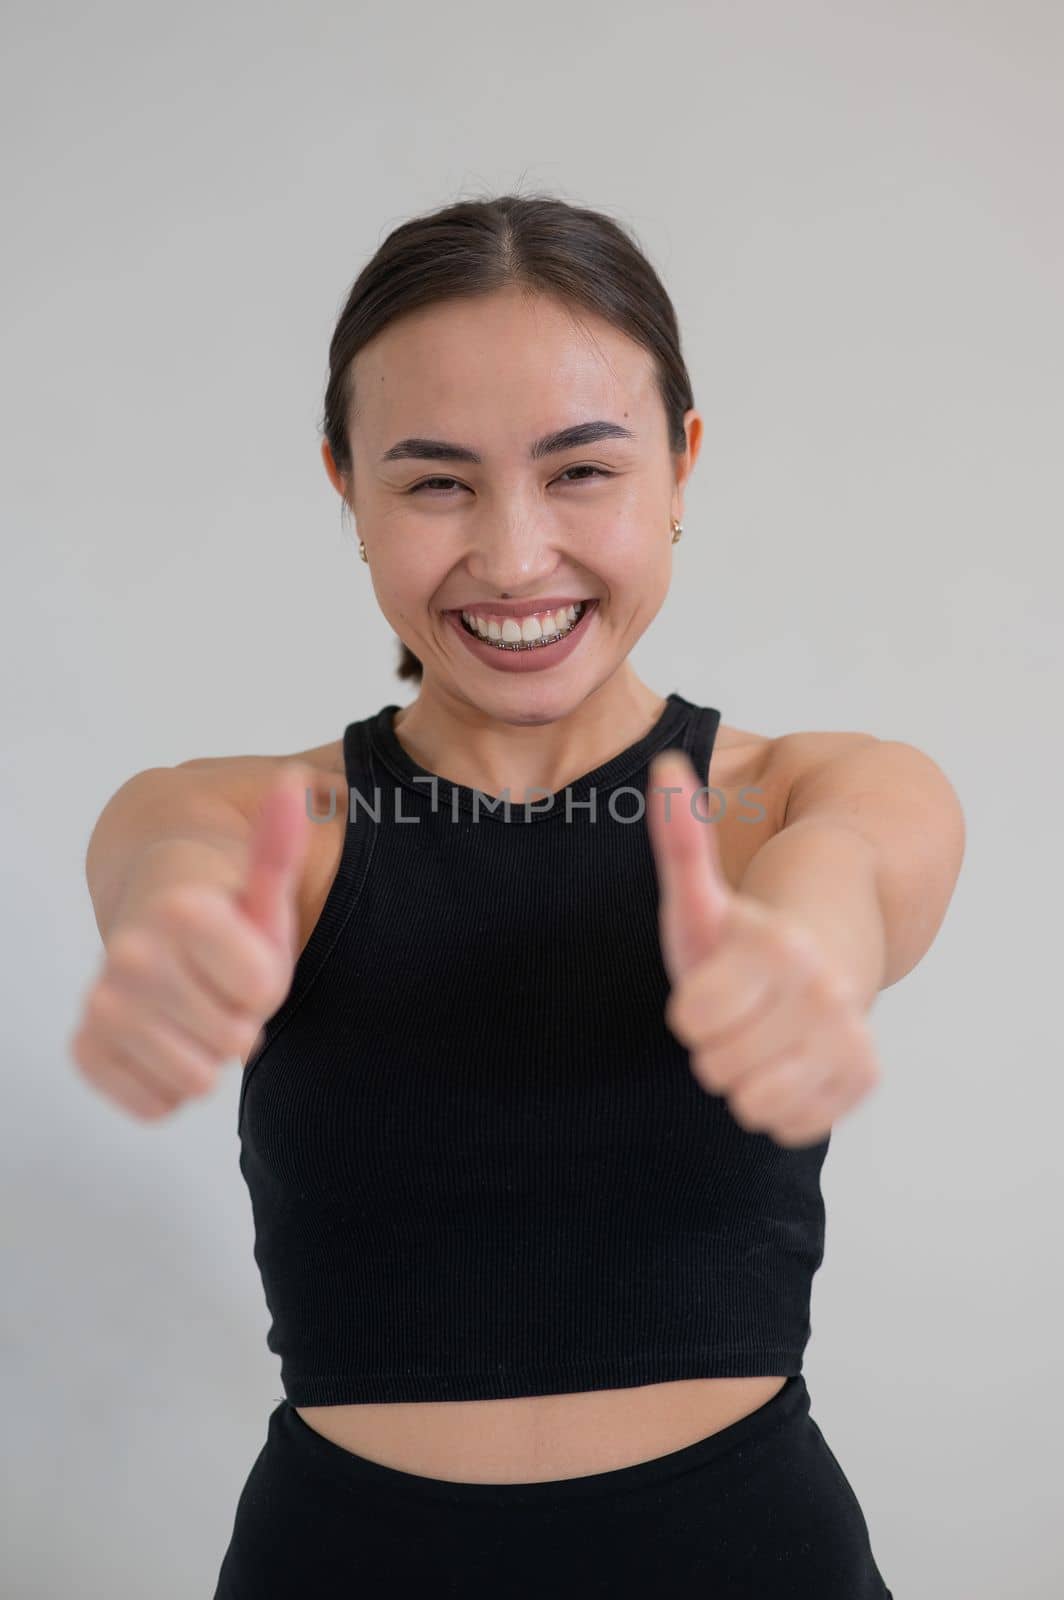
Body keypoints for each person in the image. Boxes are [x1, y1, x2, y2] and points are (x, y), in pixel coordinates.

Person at [72, 193, 964, 1597]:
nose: (512, 554)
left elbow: (850, 870)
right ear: (345, 491)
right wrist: (185, 935)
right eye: (435, 481)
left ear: (681, 466)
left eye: (582, 472)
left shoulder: (803, 795)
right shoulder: (251, 823)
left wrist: (804, 947)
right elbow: (164, 868)